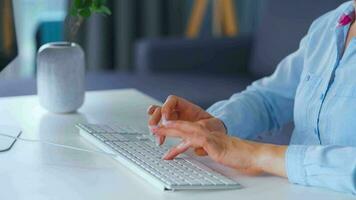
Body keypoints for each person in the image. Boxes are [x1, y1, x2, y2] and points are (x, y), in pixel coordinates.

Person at [147, 1, 356, 195]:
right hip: (291, 190)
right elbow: (269, 98)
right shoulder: (332, 24)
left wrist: (256, 155)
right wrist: (217, 125)